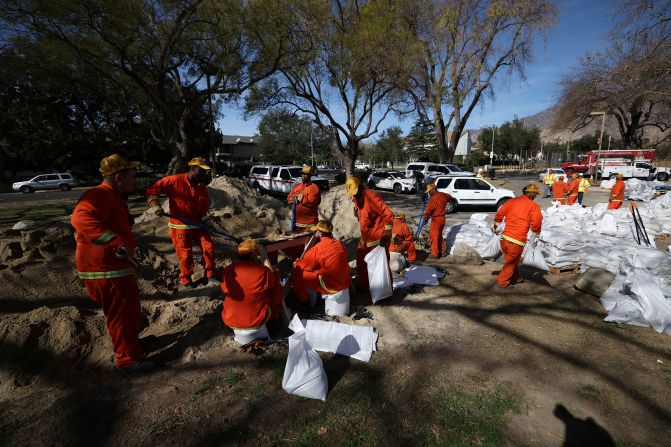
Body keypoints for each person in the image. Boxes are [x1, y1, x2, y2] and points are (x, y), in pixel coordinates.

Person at [71, 154, 154, 372]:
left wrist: (130, 258)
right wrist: (116, 243)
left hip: (115, 267)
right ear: (119, 177)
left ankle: (131, 346)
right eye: (132, 176)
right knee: (122, 315)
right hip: (104, 271)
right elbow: (80, 220)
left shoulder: (112, 196)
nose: (134, 180)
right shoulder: (98, 195)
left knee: (130, 312)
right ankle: (127, 362)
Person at [146, 157, 216, 288]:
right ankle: (186, 280)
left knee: (209, 248)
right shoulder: (174, 180)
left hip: (198, 224)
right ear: (192, 170)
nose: (204, 175)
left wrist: (206, 220)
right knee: (185, 254)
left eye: (205, 172)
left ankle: (210, 275)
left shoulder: (201, 187)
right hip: (180, 225)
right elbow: (151, 191)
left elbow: (203, 208)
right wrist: (156, 206)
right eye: (201, 171)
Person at [220, 239, 282, 344]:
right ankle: (274, 323)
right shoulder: (263, 271)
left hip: (230, 319)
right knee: (276, 289)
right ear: (254, 255)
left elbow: (224, 289)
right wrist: (276, 272)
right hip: (255, 321)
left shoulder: (228, 269)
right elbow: (273, 284)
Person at [345, 177, 394, 293]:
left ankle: (385, 293)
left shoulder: (371, 197)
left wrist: (386, 233)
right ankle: (366, 287)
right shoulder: (356, 199)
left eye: (356, 193)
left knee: (380, 268)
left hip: (378, 238)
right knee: (361, 263)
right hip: (365, 238)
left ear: (361, 186)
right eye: (353, 194)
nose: (355, 196)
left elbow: (388, 214)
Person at [289, 220, 351, 304]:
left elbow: (303, 265)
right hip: (344, 281)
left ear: (320, 233)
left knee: (297, 272)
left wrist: (296, 261)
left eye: (316, 231)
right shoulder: (339, 244)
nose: (315, 233)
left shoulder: (318, 248)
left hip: (331, 285)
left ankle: (305, 302)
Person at [493, 183, 543, 288]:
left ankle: (514, 278)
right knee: (511, 262)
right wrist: (536, 233)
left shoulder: (511, 201)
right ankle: (503, 282)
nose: (536, 197)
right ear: (531, 193)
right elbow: (536, 223)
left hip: (504, 238)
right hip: (516, 240)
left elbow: (499, 214)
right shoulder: (533, 206)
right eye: (535, 194)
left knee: (512, 260)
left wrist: (496, 227)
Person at [287, 165, 321, 232]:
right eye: (302, 173)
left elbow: (313, 201)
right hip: (297, 222)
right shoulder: (297, 186)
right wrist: (290, 200)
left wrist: (299, 198)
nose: (303, 175)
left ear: (310, 175)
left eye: (306, 174)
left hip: (310, 223)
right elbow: (289, 197)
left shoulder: (314, 187)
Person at [422, 182, 452, 258]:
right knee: (439, 236)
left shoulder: (433, 199)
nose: (429, 193)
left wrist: (425, 218)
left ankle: (435, 254)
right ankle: (442, 251)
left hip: (436, 219)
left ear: (433, 189)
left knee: (434, 236)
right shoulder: (443, 195)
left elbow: (428, 211)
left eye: (429, 191)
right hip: (442, 218)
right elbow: (450, 197)